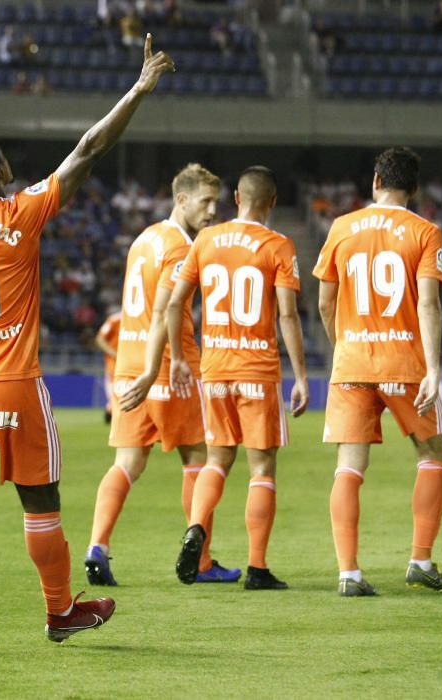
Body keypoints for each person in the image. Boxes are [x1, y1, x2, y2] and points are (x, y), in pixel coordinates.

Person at [0, 38, 174, 653]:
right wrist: (138, 89)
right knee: (41, 502)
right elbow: (90, 147)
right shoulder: (21, 213)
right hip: (14, 383)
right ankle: (59, 613)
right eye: (3, 157)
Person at [84, 163, 242, 585]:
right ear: (182, 199)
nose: (213, 210)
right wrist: (170, 362)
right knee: (200, 458)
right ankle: (202, 562)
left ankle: (97, 546)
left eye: (217, 201)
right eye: (206, 202)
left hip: (129, 364)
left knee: (127, 462)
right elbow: (164, 311)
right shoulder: (179, 246)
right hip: (172, 367)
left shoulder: (142, 240)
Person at [315, 146, 442, 596]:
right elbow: (429, 303)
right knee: (432, 455)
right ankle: (419, 560)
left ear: (375, 180)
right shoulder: (425, 231)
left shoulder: (341, 227)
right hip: (406, 364)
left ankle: (348, 573)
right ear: (414, 190)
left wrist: (344, 348)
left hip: (352, 363)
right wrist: (434, 368)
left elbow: (324, 301)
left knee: (349, 466)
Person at [168, 166, 309, 590]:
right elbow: (287, 314)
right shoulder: (278, 246)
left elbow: (176, 303)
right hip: (256, 370)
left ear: (235, 197)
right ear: (273, 201)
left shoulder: (205, 240)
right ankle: (258, 568)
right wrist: (301, 376)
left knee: (216, 460)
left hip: (214, 369)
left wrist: (177, 357)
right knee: (261, 467)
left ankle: (196, 527)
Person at [95, 307, 122, 423]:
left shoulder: (140, 318)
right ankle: (111, 411)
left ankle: (111, 411)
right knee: (114, 392)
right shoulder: (115, 319)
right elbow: (100, 339)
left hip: (131, 363)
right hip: (115, 365)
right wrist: (114, 354)